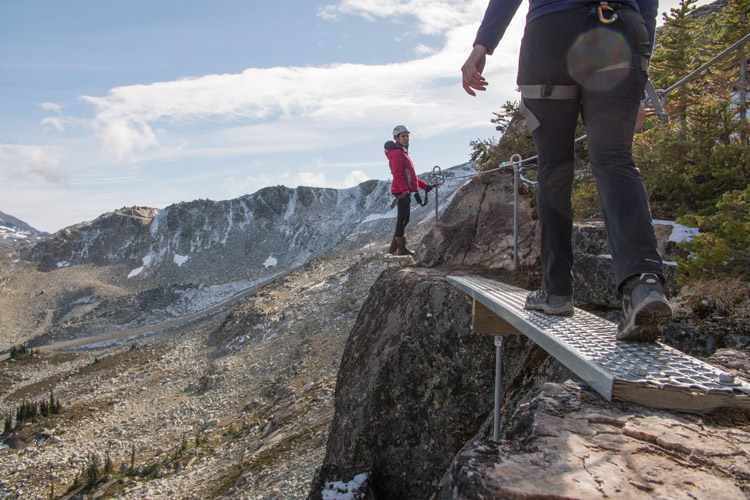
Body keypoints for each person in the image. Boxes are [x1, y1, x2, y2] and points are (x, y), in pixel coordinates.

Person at [461, 0, 672, 341]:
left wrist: (482, 45)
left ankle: (556, 291)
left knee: (554, 169)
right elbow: (647, 5)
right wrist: (639, 75)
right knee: (615, 159)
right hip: (622, 32)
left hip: (551, 36)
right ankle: (643, 285)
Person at [385, 125, 431, 256]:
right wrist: (405, 191)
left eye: (407, 136)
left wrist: (424, 186)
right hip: (401, 191)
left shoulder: (402, 152)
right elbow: (397, 173)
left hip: (403, 190)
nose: (406, 138)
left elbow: (410, 175)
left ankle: (394, 247)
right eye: (403, 136)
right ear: (396, 138)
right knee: (403, 219)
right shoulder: (397, 153)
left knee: (405, 219)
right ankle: (401, 249)